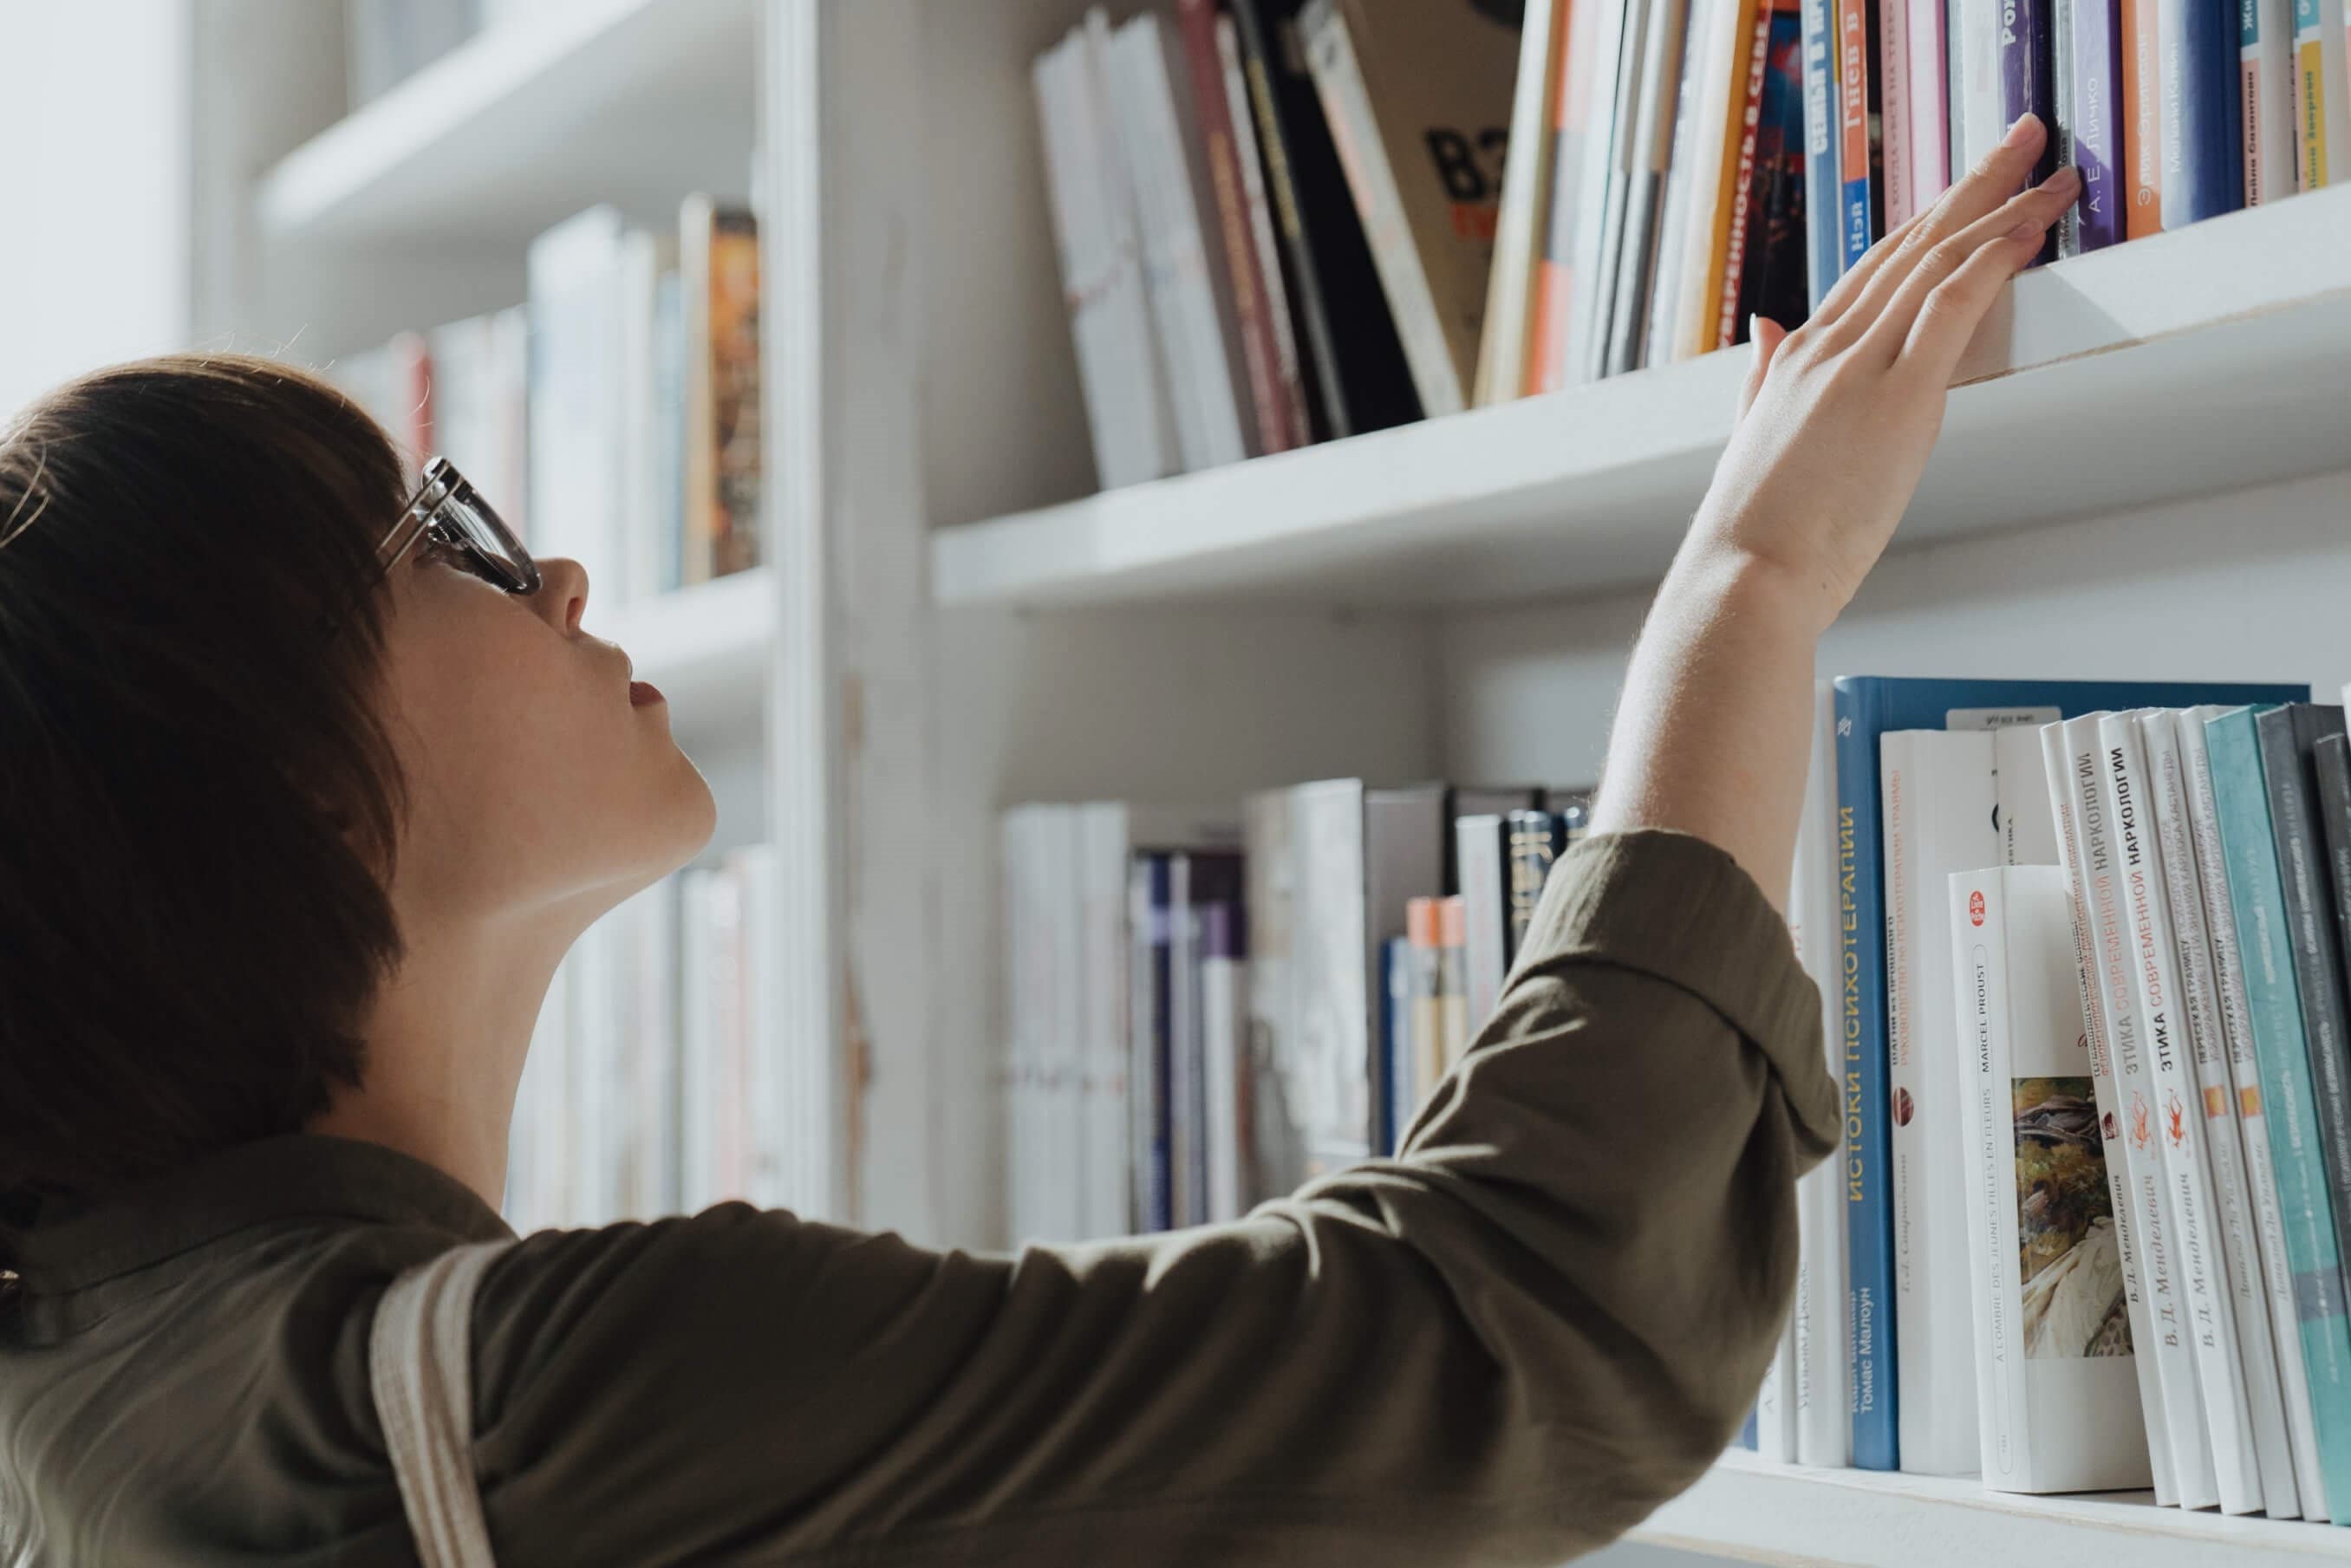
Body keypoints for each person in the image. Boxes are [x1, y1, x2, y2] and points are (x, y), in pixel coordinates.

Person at [0, 120, 2078, 1566]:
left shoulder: (81, 1390)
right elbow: (1520, 1324)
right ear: (268, 769)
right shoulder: (552, 1394)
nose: (547, 567)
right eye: (434, 536)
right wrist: (1753, 576)